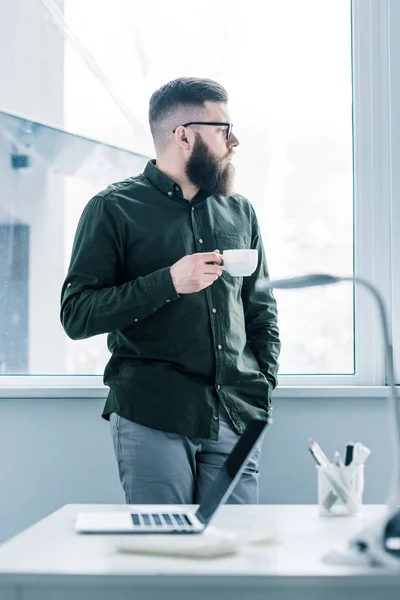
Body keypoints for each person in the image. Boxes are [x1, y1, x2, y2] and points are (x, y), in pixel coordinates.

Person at [60, 77, 280, 505]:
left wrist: (263, 385)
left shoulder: (240, 211)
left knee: (236, 556)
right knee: (164, 555)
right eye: (222, 129)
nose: (234, 141)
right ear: (184, 135)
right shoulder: (113, 209)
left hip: (236, 413)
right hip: (153, 413)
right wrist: (168, 282)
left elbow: (260, 310)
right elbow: (76, 314)